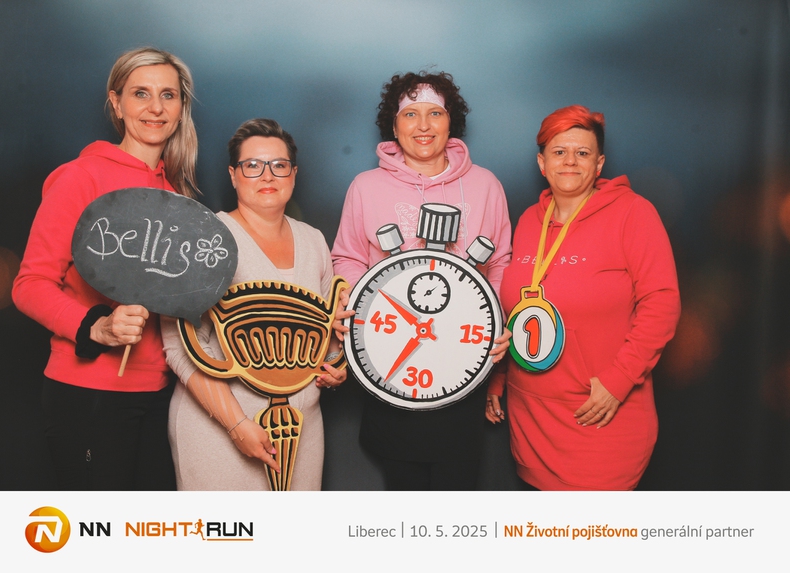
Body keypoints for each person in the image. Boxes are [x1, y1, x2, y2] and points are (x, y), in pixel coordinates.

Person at [12, 47, 199, 490]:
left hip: (161, 396)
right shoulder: (81, 178)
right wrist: (96, 327)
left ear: (181, 108)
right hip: (89, 394)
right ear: (116, 103)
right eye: (140, 93)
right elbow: (29, 284)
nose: (155, 108)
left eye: (168, 95)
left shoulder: (177, 196)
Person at [332, 71, 512, 490]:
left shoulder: (485, 185)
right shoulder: (365, 187)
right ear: (394, 127)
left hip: (463, 358)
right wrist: (356, 307)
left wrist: (497, 322)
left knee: (457, 483)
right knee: (402, 486)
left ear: (452, 123)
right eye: (410, 114)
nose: (423, 125)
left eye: (435, 113)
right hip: (389, 358)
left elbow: (501, 261)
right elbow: (348, 257)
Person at [486, 105, 681, 490]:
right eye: (559, 152)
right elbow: (518, 310)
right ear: (542, 163)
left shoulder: (633, 214)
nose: (570, 161)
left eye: (583, 152)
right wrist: (499, 376)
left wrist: (619, 380)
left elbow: (662, 305)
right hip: (531, 420)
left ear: (599, 164)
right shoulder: (528, 221)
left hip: (599, 415)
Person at [161, 118, 349, 490]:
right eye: (252, 165)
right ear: (233, 175)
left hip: (304, 428)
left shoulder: (313, 240)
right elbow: (180, 347)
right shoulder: (204, 240)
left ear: (293, 174)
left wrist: (335, 366)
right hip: (219, 431)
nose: (267, 176)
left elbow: (328, 330)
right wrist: (236, 425)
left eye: (279, 165)